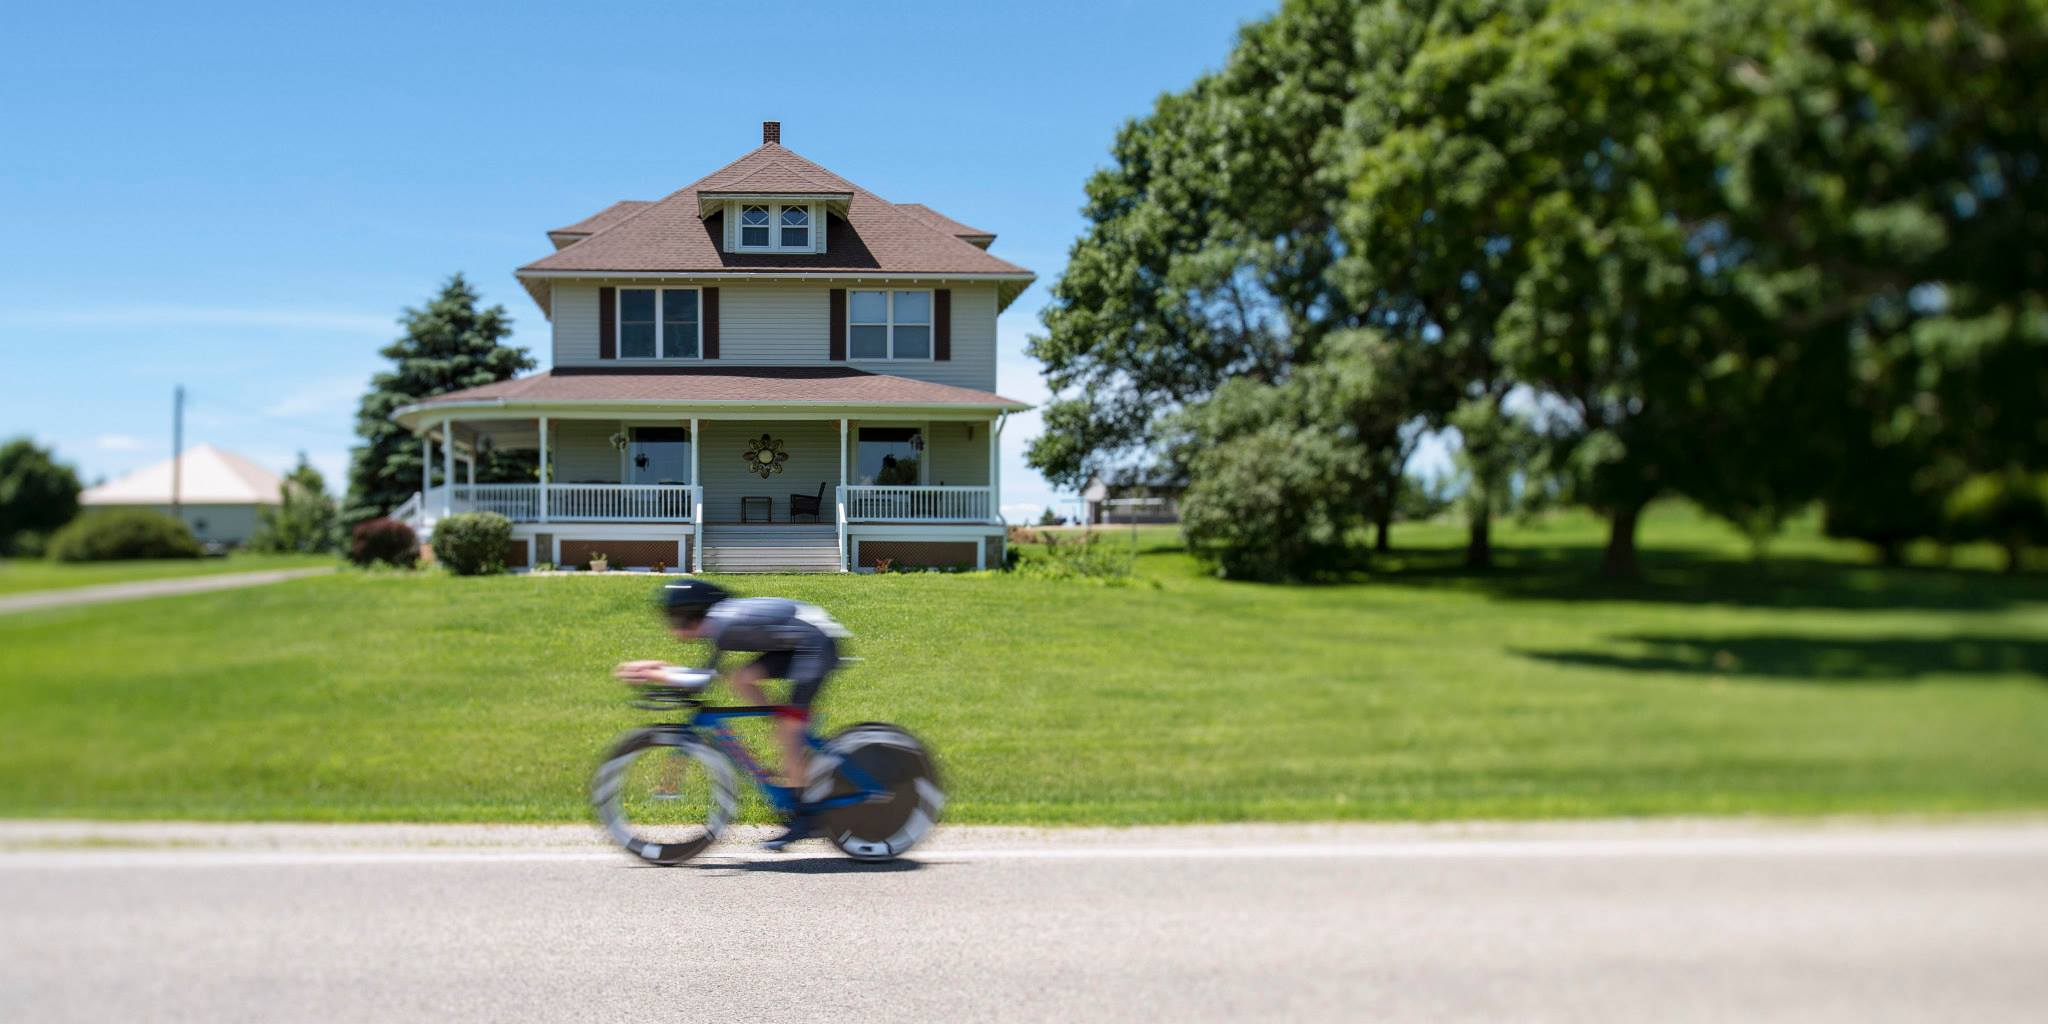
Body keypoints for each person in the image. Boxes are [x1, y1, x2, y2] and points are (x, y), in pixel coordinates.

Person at [613, 580, 850, 851]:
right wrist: (660, 669)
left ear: (692, 615)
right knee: (741, 678)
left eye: (676, 620)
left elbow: (701, 680)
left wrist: (654, 672)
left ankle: (804, 816)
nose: (674, 629)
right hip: (802, 640)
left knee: (788, 731)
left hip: (815, 644)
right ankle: (785, 726)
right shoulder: (722, 620)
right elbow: (706, 673)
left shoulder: (722, 624)